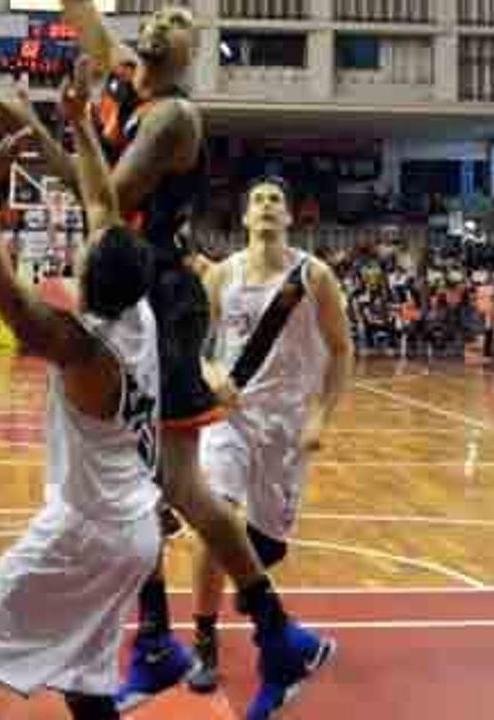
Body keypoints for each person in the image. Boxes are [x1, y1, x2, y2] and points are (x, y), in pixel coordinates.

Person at [0, 0, 331, 720]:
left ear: (186, 60)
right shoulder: (111, 72)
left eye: (184, 29)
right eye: (163, 18)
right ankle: (203, 637)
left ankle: (240, 637)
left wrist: (43, 135)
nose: (169, 24)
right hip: (123, 290)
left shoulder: (176, 116)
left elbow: (104, 195)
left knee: (168, 480)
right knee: (148, 479)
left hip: (160, 297)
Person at [0, 95, 158, 720]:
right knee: (88, 681)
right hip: (135, 531)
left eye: (87, 249)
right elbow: (102, 201)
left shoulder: (79, 344)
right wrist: (71, 125)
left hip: (84, 533)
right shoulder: (140, 315)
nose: (83, 243)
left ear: (91, 277)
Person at [184, 177, 353, 695]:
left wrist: (320, 415)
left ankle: (250, 581)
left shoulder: (314, 276)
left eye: (275, 199)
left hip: (286, 426)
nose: (265, 206)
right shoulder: (222, 276)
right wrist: (209, 372)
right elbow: (194, 344)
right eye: (256, 199)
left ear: (288, 216)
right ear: (244, 217)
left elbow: (341, 350)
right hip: (229, 420)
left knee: (267, 546)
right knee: (213, 521)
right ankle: (204, 639)